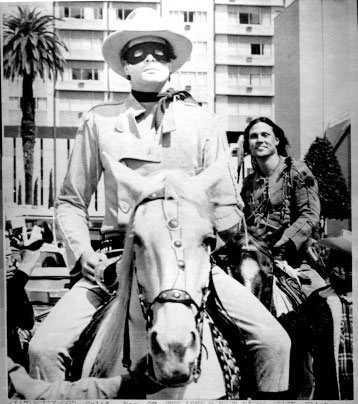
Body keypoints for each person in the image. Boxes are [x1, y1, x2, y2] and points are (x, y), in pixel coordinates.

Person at [29, 8, 290, 398]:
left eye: (158, 50)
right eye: (137, 52)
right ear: (124, 66)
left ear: (171, 62)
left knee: (275, 343)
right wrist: (83, 253)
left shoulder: (205, 123)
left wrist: (218, 236)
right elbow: (70, 201)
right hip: (117, 262)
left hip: (195, 265)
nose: (149, 57)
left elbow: (226, 207)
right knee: (43, 349)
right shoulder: (98, 122)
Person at [303, 230, 353, 399]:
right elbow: (300, 331)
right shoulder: (318, 300)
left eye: (346, 264)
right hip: (331, 391)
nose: (338, 270)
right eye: (333, 262)